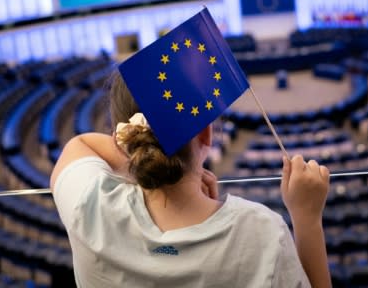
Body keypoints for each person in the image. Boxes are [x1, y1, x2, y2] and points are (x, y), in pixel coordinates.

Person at [51, 72, 331, 287]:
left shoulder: (89, 206)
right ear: (206, 134)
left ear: (124, 138)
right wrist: (306, 217)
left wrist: (139, 156)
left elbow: (79, 145)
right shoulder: (263, 233)